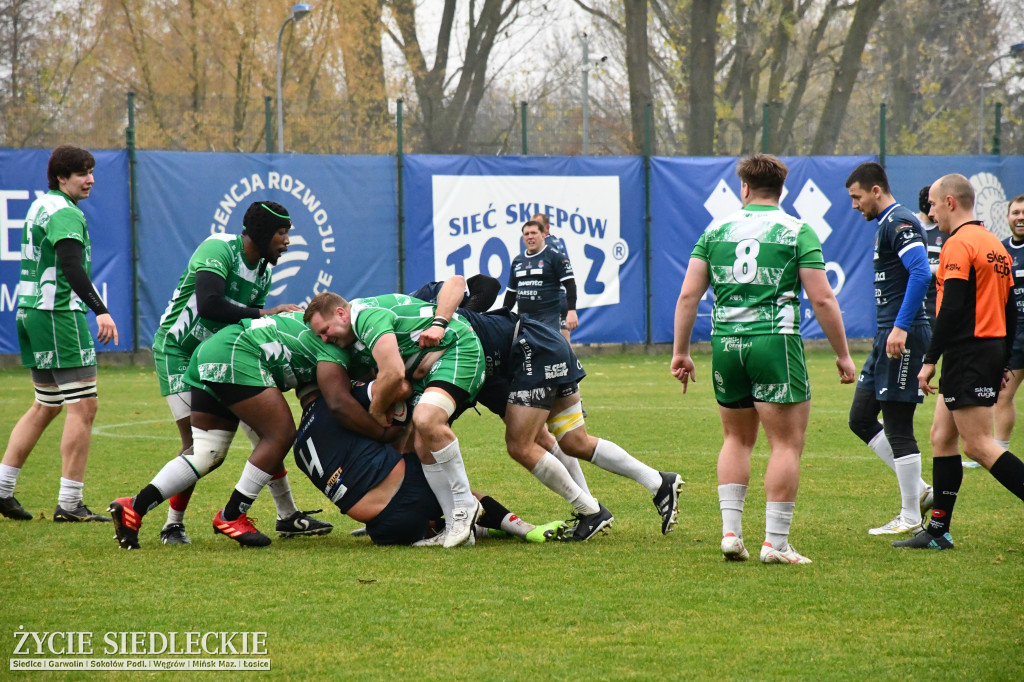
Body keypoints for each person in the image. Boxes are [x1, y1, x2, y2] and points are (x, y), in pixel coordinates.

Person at [672, 154, 856, 565]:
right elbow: (822, 297)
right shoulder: (796, 231)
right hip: (774, 343)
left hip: (726, 345)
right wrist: (843, 354)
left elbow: (688, 296)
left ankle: (731, 534)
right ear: (781, 190)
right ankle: (775, 543)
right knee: (786, 443)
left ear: (744, 188)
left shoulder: (715, 230)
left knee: (736, 438)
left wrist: (681, 352)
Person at [426, 277, 682, 541]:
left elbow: (483, 285)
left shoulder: (418, 307)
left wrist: (455, 316)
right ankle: (658, 483)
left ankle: (591, 510)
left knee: (520, 445)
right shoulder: (465, 367)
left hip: (530, 348)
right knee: (573, 440)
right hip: (534, 349)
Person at [108, 311, 374, 549]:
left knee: (205, 452)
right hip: (237, 354)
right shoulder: (340, 347)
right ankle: (232, 514)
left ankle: (134, 507)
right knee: (280, 434)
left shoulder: (330, 332)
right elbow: (339, 403)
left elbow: (312, 389)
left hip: (213, 350)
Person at [148, 201, 329, 545]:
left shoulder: (263, 272)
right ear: (261, 233)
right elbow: (210, 304)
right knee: (196, 447)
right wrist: (267, 312)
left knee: (267, 433)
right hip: (178, 351)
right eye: (282, 232)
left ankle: (287, 515)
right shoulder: (219, 249)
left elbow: (240, 323)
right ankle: (172, 524)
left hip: (221, 359)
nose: (287, 241)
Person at [894, 175, 1024, 550]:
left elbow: (950, 307)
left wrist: (929, 359)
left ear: (951, 202)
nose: (930, 211)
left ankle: (938, 532)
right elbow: (1012, 308)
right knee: (942, 437)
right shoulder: (994, 245)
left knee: (979, 444)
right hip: (986, 349)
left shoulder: (958, 243)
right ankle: (938, 531)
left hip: (968, 351)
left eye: (933, 204)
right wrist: (1003, 359)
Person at [303, 290, 486, 549]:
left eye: (325, 329)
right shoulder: (354, 336)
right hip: (429, 368)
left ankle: (465, 505)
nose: (324, 338)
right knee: (421, 447)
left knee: (426, 419)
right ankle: (457, 526)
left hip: (458, 349)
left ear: (342, 314)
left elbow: (395, 372)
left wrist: (376, 412)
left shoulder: (365, 318)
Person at [0, 146, 118, 523]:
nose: (91, 179)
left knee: (46, 404)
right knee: (83, 406)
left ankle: (2, 489)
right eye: (83, 173)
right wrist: (101, 310)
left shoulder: (42, 205)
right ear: (61, 177)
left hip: (31, 311)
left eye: (92, 171)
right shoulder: (65, 213)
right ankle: (70, 504)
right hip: (56, 316)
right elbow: (70, 264)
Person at [293, 383, 566, 545]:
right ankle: (525, 529)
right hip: (404, 494)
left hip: (383, 529)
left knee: (421, 488)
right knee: (461, 493)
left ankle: (464, 528)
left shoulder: (298, 445)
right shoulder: (337, 402)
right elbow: (398, 385)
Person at [845, 162, 934, 535]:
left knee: (898, 424)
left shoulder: (899, 222)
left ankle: (911, 515)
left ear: (876, 190)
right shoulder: (886, 225)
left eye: (857, 196)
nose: (854, 205)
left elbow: (921, 272)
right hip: (889, 335)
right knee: (861, 417)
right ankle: (920, 492)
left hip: (904, 333)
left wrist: (899, 326)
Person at [503, 220, 577, 337]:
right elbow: (511, 293)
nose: (530, 237)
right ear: (523, 238)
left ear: (543, 235)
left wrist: (572, 310)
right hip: (524, 318)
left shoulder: (555, 257)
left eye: (534, 233)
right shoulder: (518, 261)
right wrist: (503, 315)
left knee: (547, 352)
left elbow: (570, 285)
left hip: (548, 318)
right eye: (526, 234)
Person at [993, 194, 1024, 458]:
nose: (1020, 218)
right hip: (1014, 335)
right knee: (1003, 394)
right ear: (1008, 217)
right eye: (1015, 213)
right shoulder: (1000, 250)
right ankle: (999, 451)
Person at [531, 212, 577, 342]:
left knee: (552, 342)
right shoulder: (555, 240)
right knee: (564, 342)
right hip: (561, 295)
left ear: (547, 228)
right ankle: (569, 361)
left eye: (538, 226)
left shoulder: (547, 246)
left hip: (554, 297)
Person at [918, 185, 945, 328]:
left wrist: (930, 269)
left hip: (938, 295)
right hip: (916, 293)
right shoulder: (910, 225)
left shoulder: (945, 228)